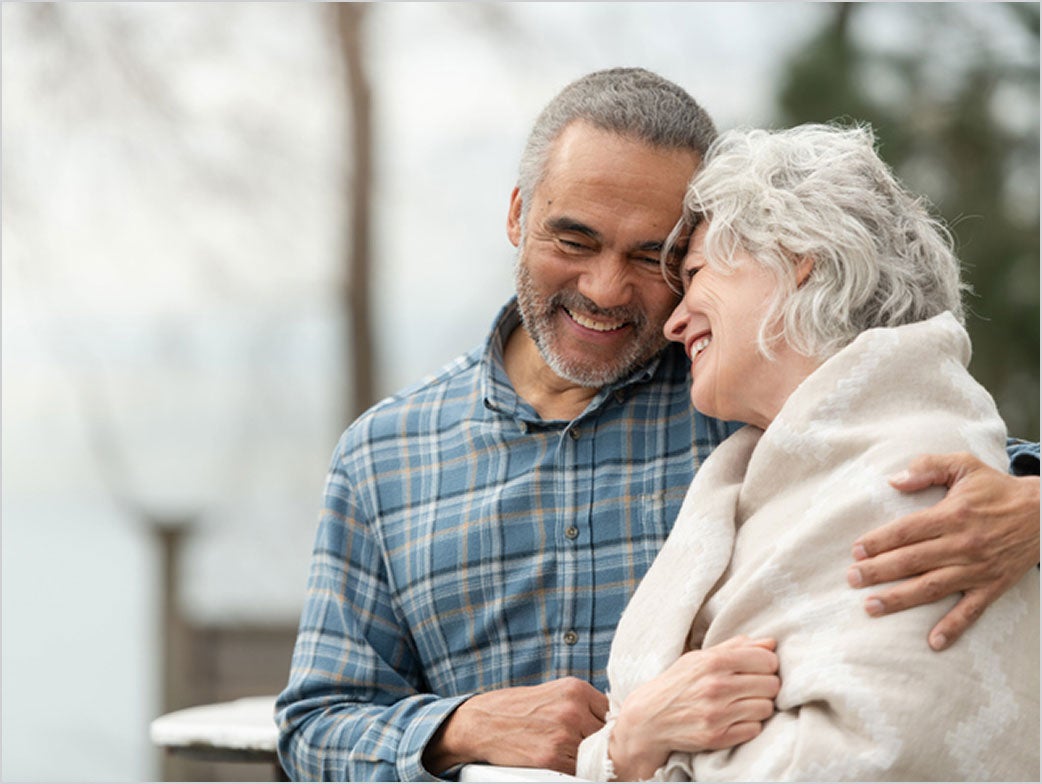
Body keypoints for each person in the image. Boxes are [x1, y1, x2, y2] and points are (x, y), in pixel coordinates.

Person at [276, 68, 1040, 782]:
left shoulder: (738, 393)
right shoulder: (384, 455)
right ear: (517, 214)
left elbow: (928, 457)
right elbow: (314, 723)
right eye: (573, 240)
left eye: (653, 256)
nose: (605, 289)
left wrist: (1034, 507)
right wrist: (459, 728)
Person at [577, 123, 1039, 781]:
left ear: (799, 255)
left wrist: (643, 751)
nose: (674, 322)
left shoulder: (927, 471)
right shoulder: (765, 475)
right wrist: (635, 738)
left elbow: (871, 756)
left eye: (699, 273)